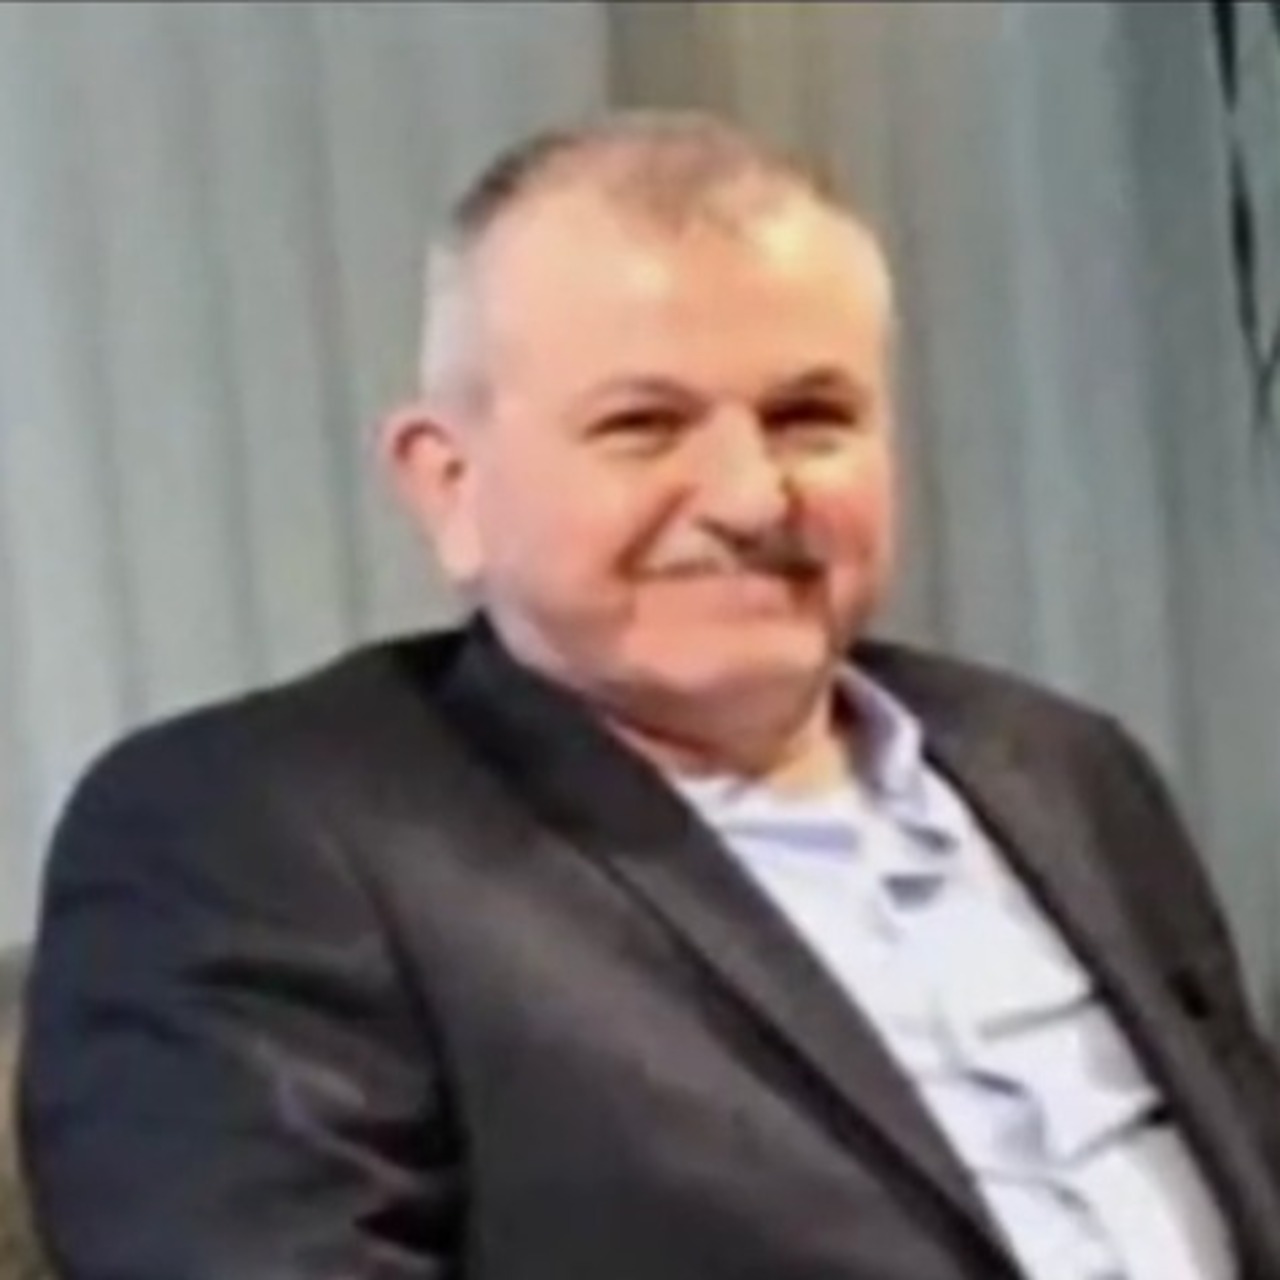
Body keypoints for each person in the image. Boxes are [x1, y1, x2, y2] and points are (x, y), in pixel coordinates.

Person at [17, 111, 1280, 1280]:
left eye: (809, 416)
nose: (747, 494)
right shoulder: (255, 834)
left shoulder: (1058, 765)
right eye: (641, 425)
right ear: (448, 484)